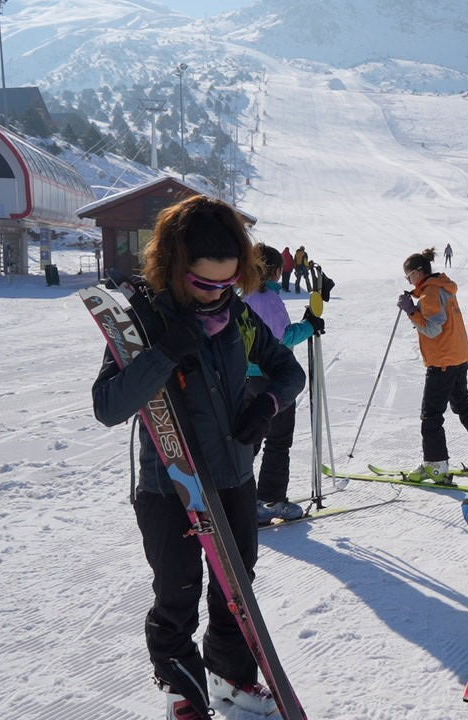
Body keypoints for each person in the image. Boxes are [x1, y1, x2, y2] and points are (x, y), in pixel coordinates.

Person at [91, 195, 306, 720]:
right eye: (203, 283)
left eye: (227, 283)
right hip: (170, 487)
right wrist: (166, 352)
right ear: (174, 265)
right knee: (177, 594)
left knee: (237, 588)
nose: (215, 296)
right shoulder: (141, 322)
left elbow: (289, 372)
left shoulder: (237, 318)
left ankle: (231, 680)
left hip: (233, 475)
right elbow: (109, 405)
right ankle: (183, 693)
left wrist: (265, 407)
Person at [244, 243, 326, 525]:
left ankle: (238, 497)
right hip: (272, 377)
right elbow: (281, 337)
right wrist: (310, 326)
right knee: (277, 439)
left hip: (244, 376)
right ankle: (271, 499)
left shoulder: (242, 294)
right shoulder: (269, 299)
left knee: (249, 437)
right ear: (277, 271)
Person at [397, 247, 468, 482]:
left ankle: (435, 465)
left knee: (431, 415)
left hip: (443, 361)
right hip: (457, 356)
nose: (408, 280)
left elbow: (432, 328)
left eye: (408, 276)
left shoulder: (429, 293)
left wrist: (411, 312)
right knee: (463, 405)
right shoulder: (442, 287)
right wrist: (416, 308)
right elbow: (438, 319)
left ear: (418, 273)